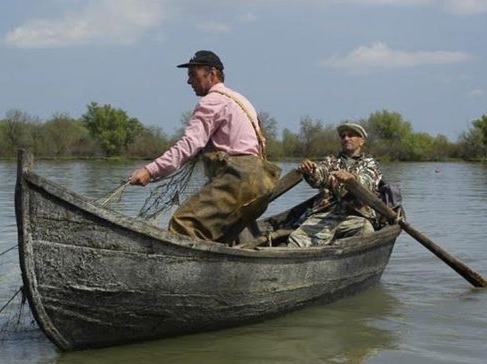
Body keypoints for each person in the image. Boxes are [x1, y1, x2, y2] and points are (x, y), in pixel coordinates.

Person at [129, 50, 281, 243]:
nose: (189, 81)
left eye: (193, 74)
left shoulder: (212, 101)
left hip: (237, 181)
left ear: (212, 73)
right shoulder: (241, 101)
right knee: (223, 236)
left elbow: (189, 145)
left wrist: (149, 171)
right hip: (261, 185)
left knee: (183, 223)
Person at [288, 122, 382, 248]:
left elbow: (366, 184)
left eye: (351, 135)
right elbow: (320, 175)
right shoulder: (331, 161)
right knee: (296, 239)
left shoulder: (370, 164)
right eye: (343, 136)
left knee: (365, 236)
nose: (346, 138)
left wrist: (352, 180)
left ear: (362, 141)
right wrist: (310, 170)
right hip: (326, 216)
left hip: (356, 217)